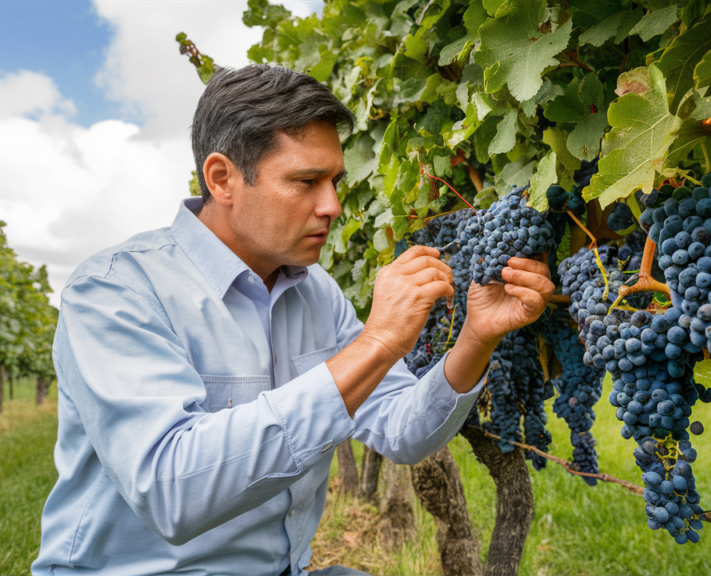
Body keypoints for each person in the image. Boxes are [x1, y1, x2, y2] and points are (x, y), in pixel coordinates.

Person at [32, 64, 553, 576]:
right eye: (306, 181)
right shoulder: (116, 291)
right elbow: (171, 492)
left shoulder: (316, 292)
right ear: (222, 179)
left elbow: (403, 431)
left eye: (335, 181)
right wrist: (377, 342)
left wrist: (476, 337)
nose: (332, 205)